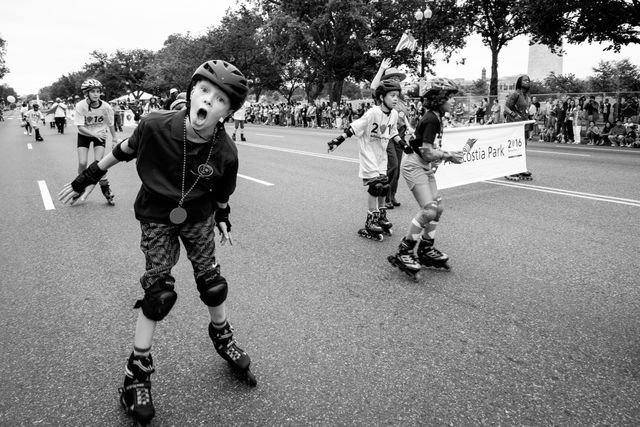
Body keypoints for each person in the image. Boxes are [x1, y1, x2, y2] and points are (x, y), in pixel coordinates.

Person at [58, 60, 253, 425]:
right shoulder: (154, 126)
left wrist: (223, 218)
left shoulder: (226, 152)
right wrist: (86, 178)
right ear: (193, 91)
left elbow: (222, 196)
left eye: (221, 100)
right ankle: (137, 373)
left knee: (212, 285)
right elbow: (121, 152)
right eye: (205, 91)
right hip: (156, 215)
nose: (210, 101)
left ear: (229, 112)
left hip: (197, 216)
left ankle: (222, 335)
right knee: (158, 294)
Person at [386, 77, 463, 280]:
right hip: (413, 165)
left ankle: (426, 249)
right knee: (429, 210)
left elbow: (429, 150)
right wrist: (448, 155)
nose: (453, 101)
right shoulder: (431, 119)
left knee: (439, 207)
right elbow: (427, 153)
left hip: (423, 165)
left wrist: (444, 153)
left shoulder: (437, 116)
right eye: (450, 97)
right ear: (438, 99)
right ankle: (404, 250)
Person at [327, 79, 410, 241]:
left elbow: (393, 132)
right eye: (392, 95)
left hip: (381, 155)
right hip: (368, 154)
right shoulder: (373, 113)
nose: (395, 99)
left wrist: (403, 144)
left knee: (384, 185)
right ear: (381, 97)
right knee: (376, 186)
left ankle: (380, 216)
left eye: (397, 96)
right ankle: (370, 221)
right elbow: (355, 127)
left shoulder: (393, 114)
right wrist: (338, 140)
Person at [370, 58, 415, 209]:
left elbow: (404, 117)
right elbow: (373, 86)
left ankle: (392, 195)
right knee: (393, 165)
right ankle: (385, 195)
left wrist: (409, 127)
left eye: (398, 78)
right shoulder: (383, 97)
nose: (397, 80)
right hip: (387, 135)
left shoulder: (400, 99)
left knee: (396, 169)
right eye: (393, 78)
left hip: (400, 134)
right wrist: (381, 68)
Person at [73, 78, 118, 204]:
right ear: (86, 93)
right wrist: (93, 134)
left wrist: (114, 138)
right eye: (93, 92)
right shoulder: (80, 105)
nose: (96, 94)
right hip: (84, 134)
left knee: (98, 164)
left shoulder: (106, 107)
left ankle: (106, 189)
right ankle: (80, 186)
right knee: (82, 163)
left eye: (98, 91)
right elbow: (80, 126)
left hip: (100, 135)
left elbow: (110, 124)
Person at [503, 75, 533, 181]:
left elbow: (525, 111)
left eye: (528, 80)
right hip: (514, 125)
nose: (527, 82)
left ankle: (521, 168)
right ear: (520, 82)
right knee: (513, 148)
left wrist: (530, 118)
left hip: (524, 125)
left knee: (523, 147)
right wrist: (513, 114)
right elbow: (506, 108)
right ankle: (510, 170)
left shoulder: (527, 97)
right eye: (525, 80)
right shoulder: (515, 94)